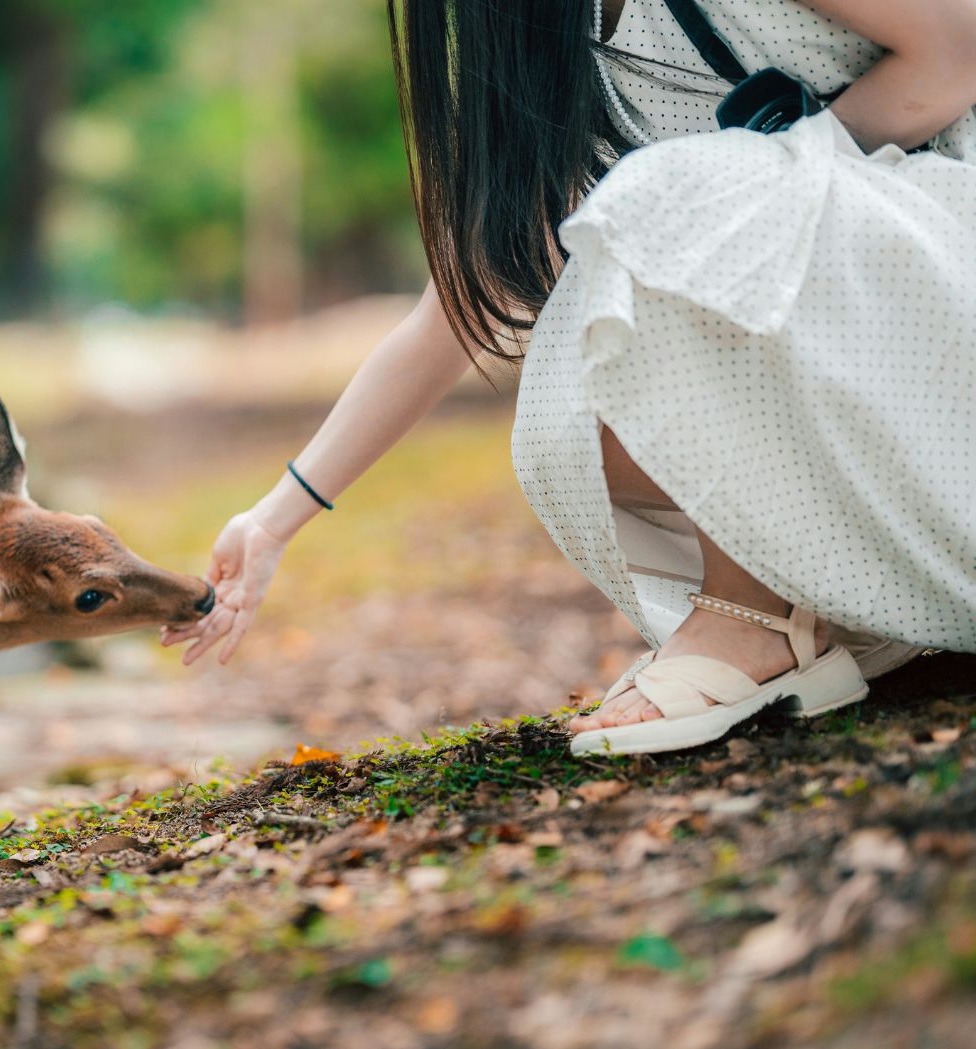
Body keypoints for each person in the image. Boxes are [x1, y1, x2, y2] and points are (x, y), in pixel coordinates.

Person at [164, 0, 976, 755]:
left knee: (669, 202)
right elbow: (454, 307)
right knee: (570, 424)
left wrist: (765, 177)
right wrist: (271, 522)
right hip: (871, 362)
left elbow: (955, 50)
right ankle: (848, 600)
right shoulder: (551, 36)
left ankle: (754, 617)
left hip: (941, 281)